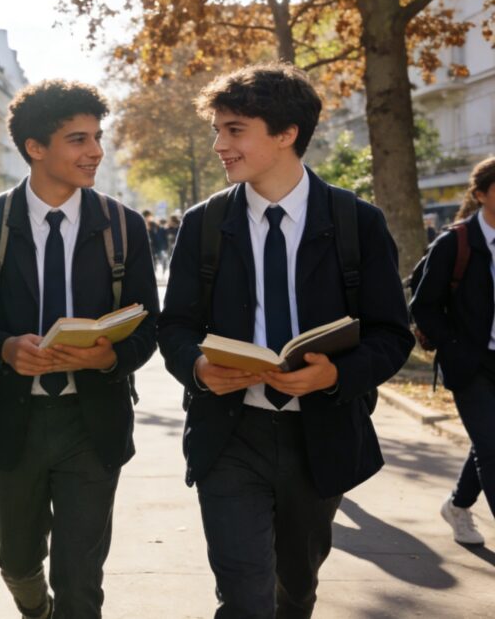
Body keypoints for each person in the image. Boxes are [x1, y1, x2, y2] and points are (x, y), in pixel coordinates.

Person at [157, 63, 413, 618]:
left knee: (295, 592)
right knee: (245, 599)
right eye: (217, 130)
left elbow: (392, 334)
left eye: (234, 129)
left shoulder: (357, 222)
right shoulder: (203, 224)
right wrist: (199, 367)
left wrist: (337, 374)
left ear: (286, 133)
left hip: (320, 437)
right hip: (229, 434)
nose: (219, 144)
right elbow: (173, 325)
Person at [0, 79, 159, 618]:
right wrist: (4, 349)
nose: (95, 151)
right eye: (78, 139)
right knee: (16, 557)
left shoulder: (123, 227)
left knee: (81, 579)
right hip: (13, 420)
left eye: (97, 137)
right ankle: (35, 609)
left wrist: (111, 356)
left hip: (92, 423)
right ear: (34, 147)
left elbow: (149, 326)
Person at [411, 156, 495, 546]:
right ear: (480, 195)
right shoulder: (455, 242)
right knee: (492, 446)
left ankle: (458, 507)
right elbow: (423, 306)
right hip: (470, 363)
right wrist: (454, 345)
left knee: (488, 442)